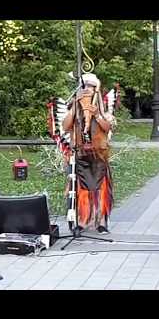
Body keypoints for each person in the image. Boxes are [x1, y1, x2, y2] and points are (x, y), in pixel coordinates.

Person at [61, 73, 116, 234]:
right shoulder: (75, 109)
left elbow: (107, 127)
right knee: (81, 190)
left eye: (91, 88)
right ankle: (82, 221)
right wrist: (74, 109)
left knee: (100, 190)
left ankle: (100, 221)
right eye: (84, 88)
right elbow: (65, 127)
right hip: (80, 155)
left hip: (98, 155)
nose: (87, 92)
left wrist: (97, 115)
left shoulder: (102, 108)